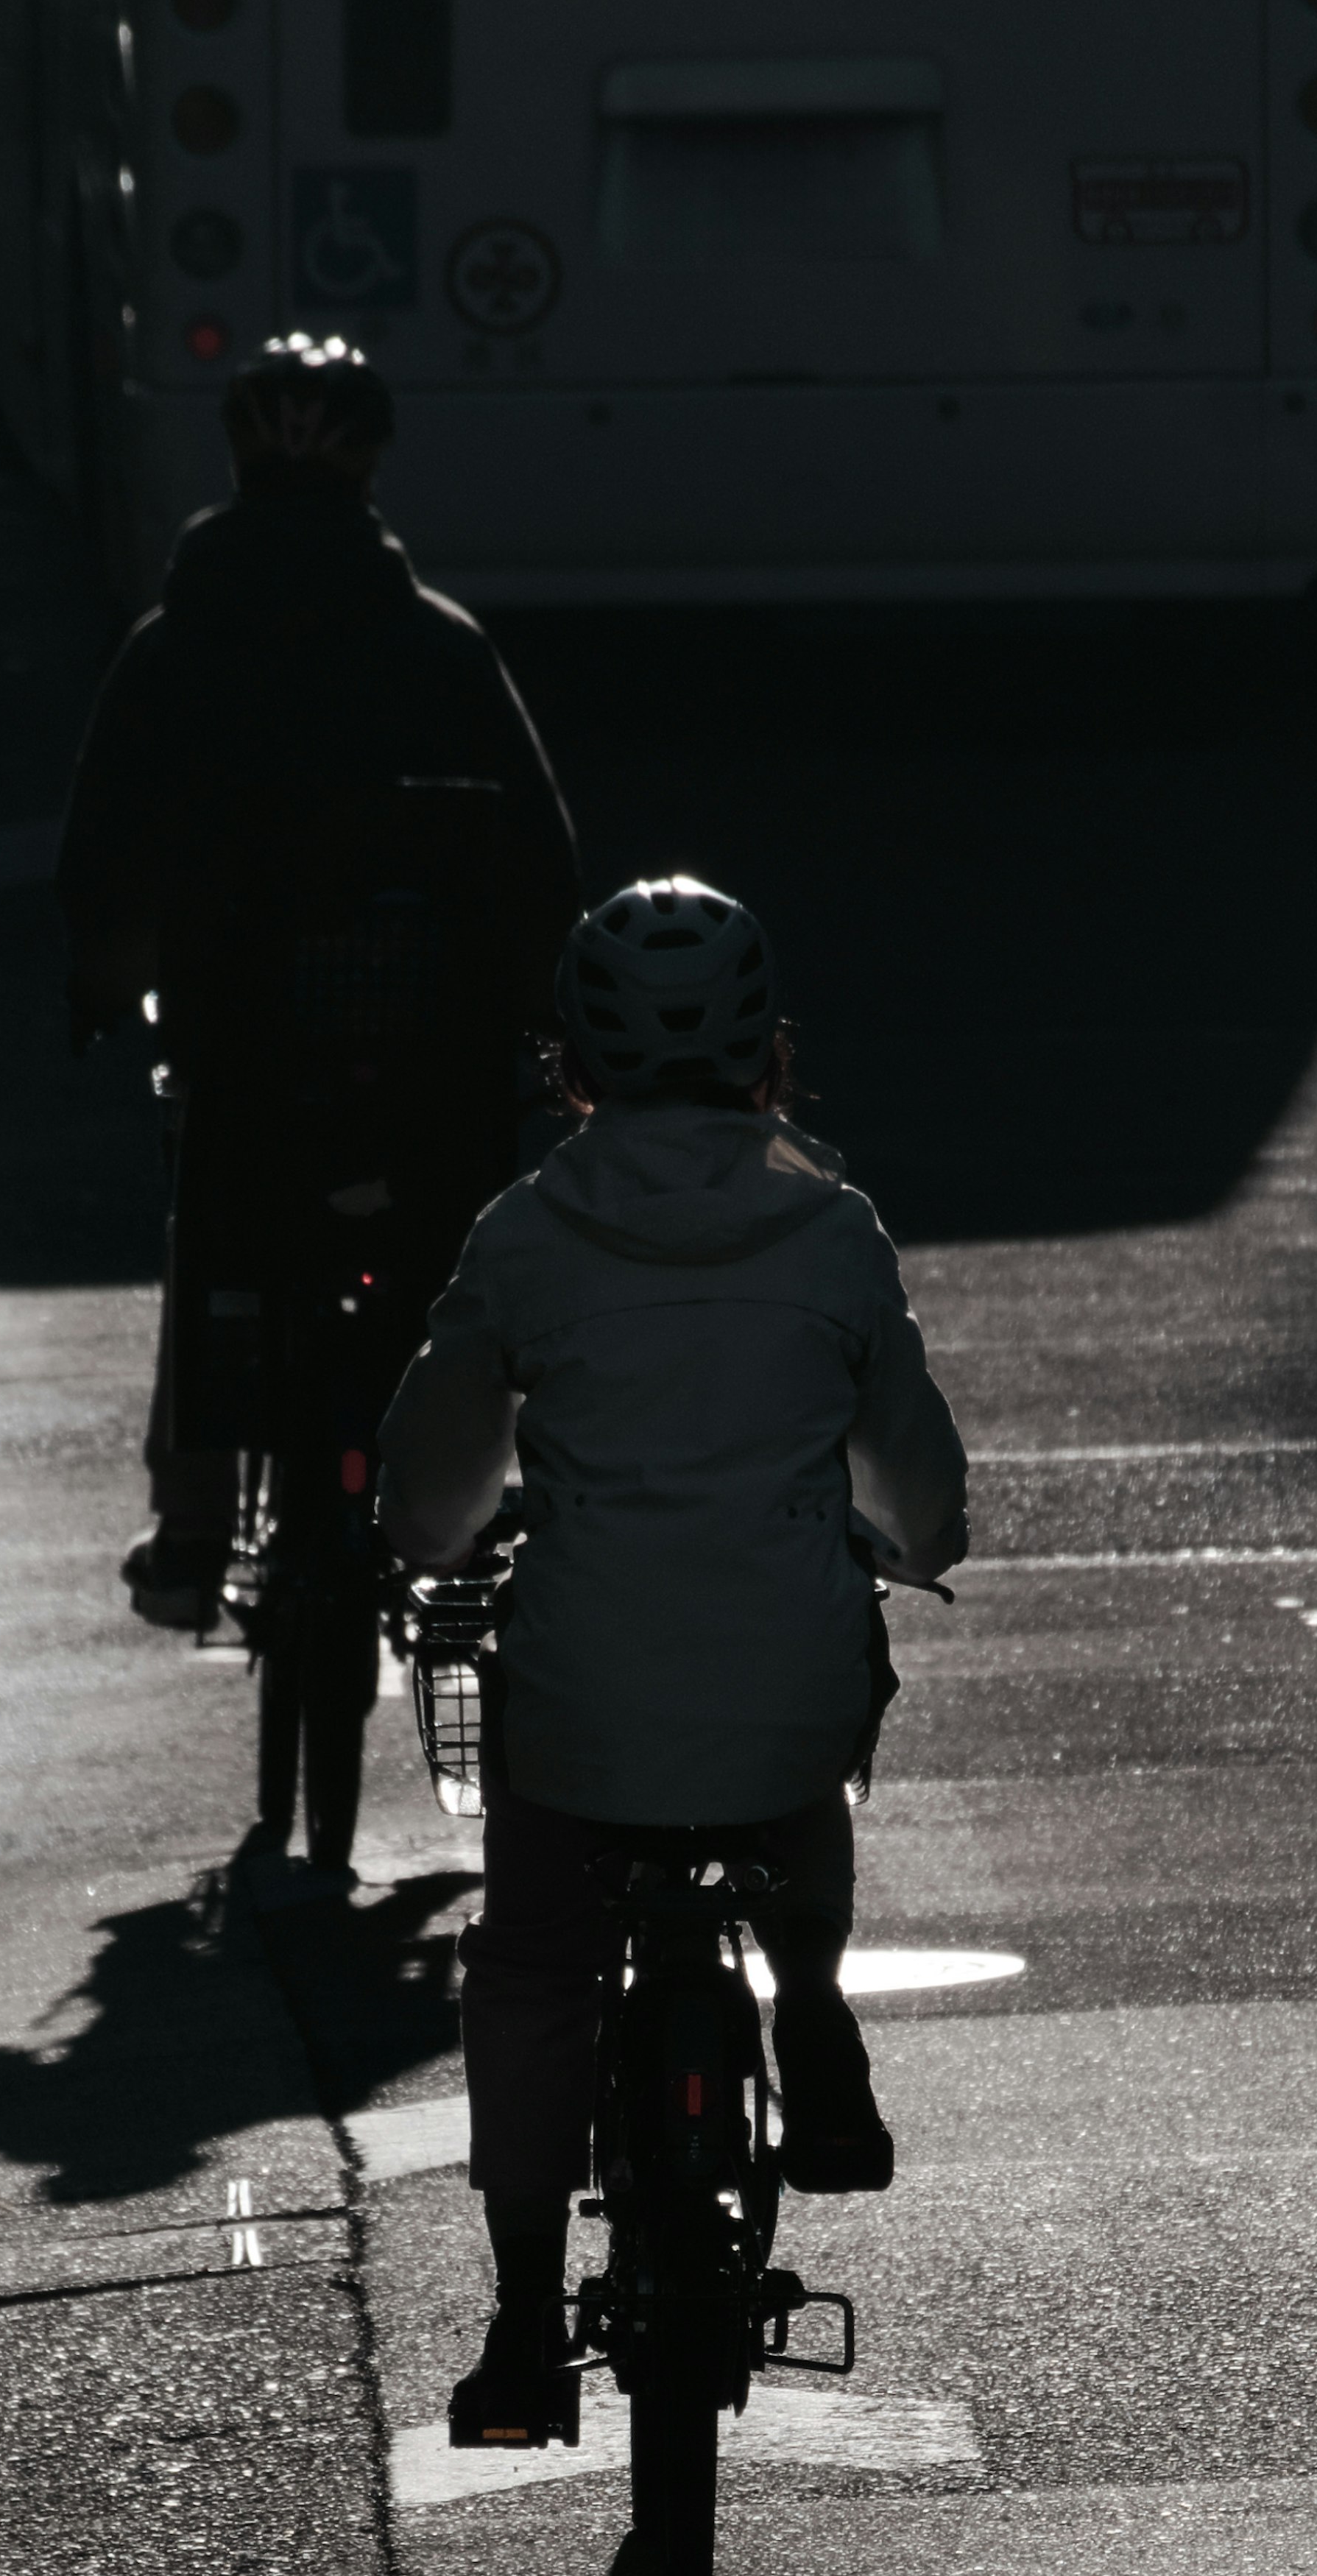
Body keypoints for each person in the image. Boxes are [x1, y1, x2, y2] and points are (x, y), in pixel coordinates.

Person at [373, 875, 970, 2444]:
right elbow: (917, 1492)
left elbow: (432, 1501)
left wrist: (449, 1529)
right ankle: (815, 1995)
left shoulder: (526, 1239)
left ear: (571, 1063)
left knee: (531, 1972)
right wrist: (907, 1544)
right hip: (782, 1708)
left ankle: (519, 2325)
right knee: (813, 1682)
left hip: (584, 1707)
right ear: (771, 1053)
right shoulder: (836, 1234)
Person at [57, 334, 579, 1643]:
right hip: (425, 1051)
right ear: (372, 473)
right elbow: (538, 856)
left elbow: (101, 848)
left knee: (213, 1236)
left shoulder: (173, 648)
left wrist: (104, 981)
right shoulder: (441, 649)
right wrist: (555, 1024)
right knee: (457, 1266)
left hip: (241, 1045)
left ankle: (192, 1530)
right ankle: (467, 1506)